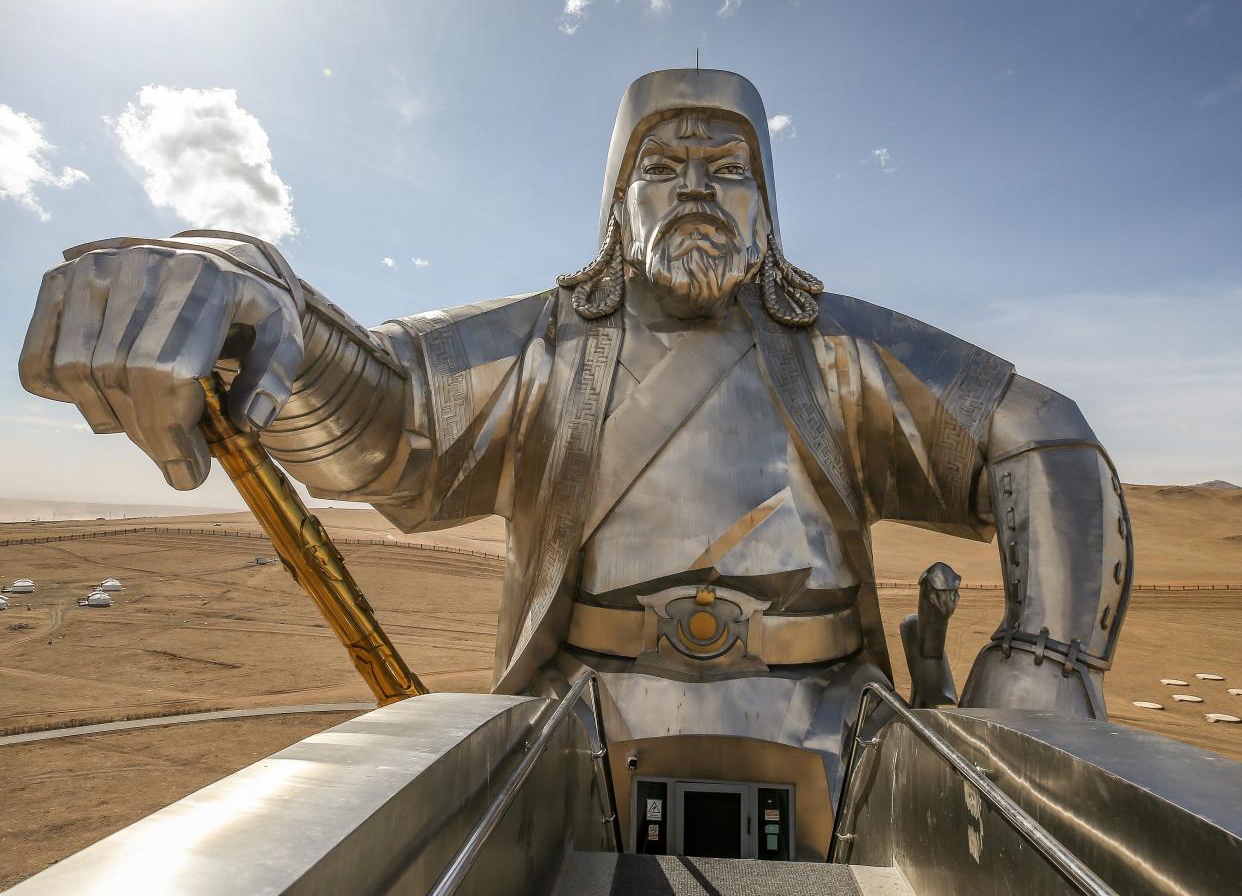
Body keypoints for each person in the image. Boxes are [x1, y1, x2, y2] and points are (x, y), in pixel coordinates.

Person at [19, 69, 1131, 805]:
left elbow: (1041, 434)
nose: (696, 186)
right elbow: (388, 415)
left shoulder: (839, 350)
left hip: (838, 735)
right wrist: (253, 283)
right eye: (663, 166)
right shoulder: (546, 347)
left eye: (729, 169)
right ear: (618, 203)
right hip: (578, 730)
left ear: (767, 203)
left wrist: (1052, 654)